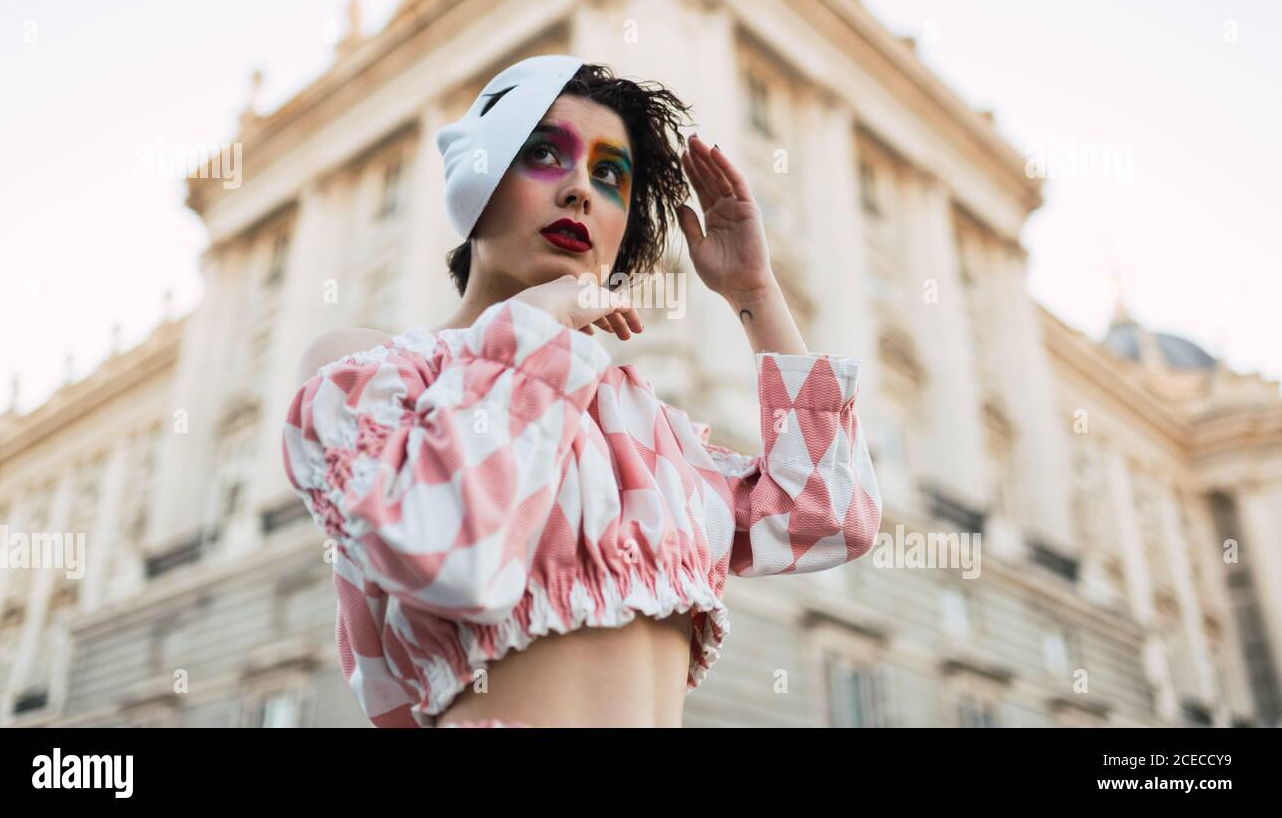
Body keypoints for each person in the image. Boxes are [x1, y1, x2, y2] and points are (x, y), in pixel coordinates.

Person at [281, 55, 882, 727]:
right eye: (543, 153)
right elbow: (453, 553)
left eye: (610, 175)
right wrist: (539, 319)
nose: (580, 191)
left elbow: (829, 515)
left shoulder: (640, 423)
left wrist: (754, 293)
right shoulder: (376, 365)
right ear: (479, 176)